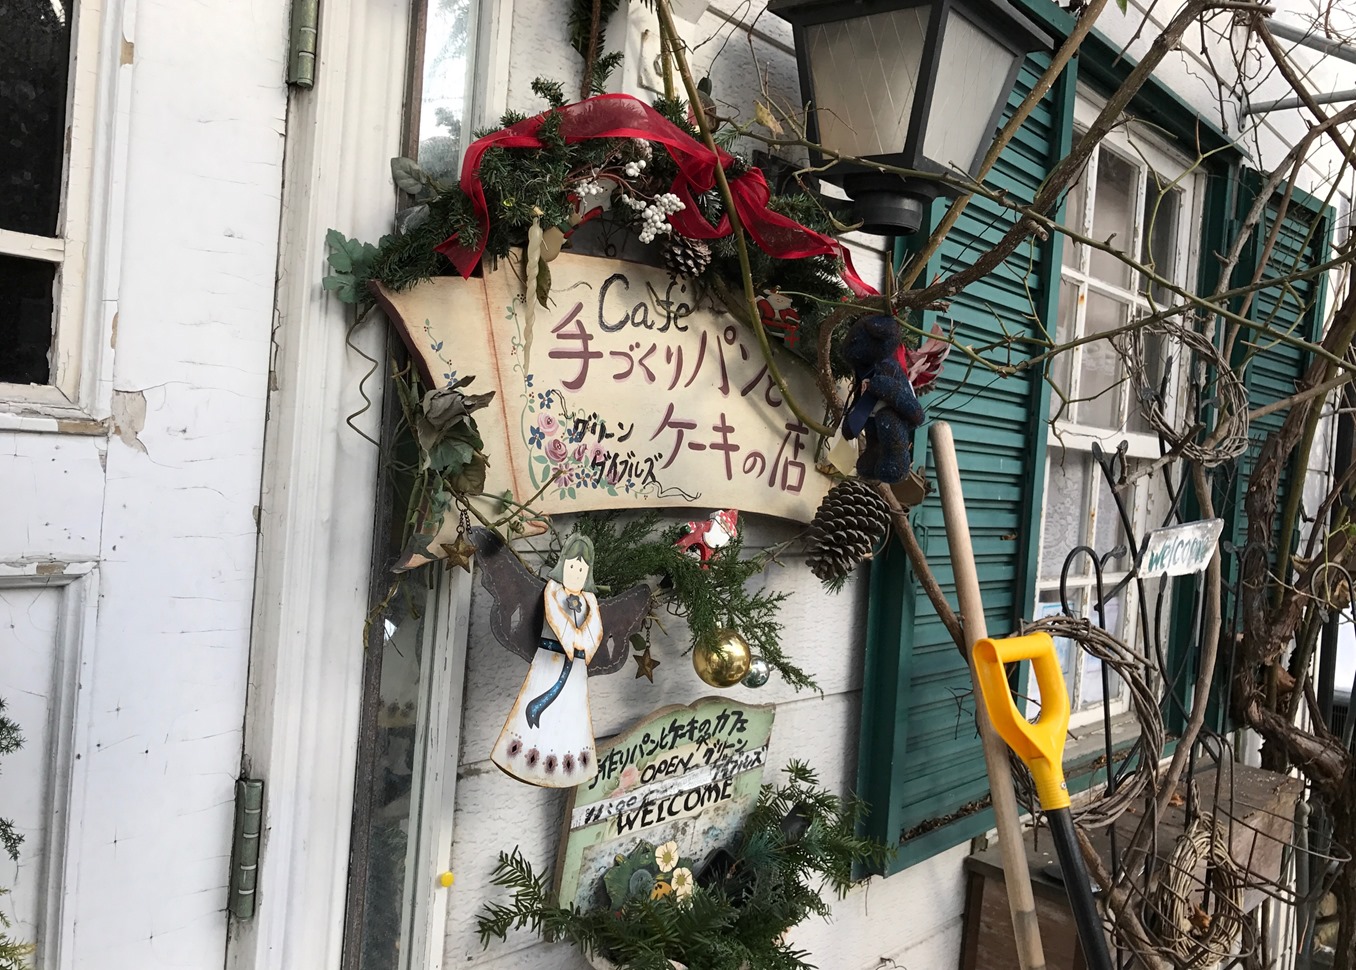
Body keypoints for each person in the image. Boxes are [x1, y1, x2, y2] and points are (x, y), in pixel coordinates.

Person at [491, 535, 604, 786]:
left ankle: (568, 766)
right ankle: (524, 759)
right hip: (548, 662)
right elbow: (556, 619)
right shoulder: (552, 591)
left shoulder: (590, 601)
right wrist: (572, 640)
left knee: (570, 713)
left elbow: (594, 631)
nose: (576, 573)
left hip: (576, 671)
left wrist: (582, 644)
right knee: (538, 711)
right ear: (563, 565)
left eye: (582, 569)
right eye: (572, 566)